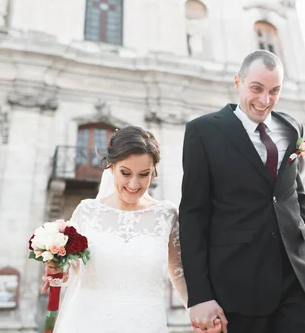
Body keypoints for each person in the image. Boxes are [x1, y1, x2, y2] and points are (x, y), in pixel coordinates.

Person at [179, 50, 305, 333]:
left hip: (299, 281)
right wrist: (200, 295)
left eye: (275, 91)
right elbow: (193, 215)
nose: (265, 101)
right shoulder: (203, 132)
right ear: (238, 82)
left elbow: (296, 198)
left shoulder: (291, 127)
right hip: (239, 284)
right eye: (257, 89)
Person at [41, 126, 195, 333]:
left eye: (144, 174)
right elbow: (72, 271)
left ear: (154, 171)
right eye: (125, 173)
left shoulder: (166, 214)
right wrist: (56, 271)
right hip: (87, 321)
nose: (134, 183)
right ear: (111, 167)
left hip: (145, 322)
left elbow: (177, 272)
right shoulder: (87, 212)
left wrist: (198, 309)